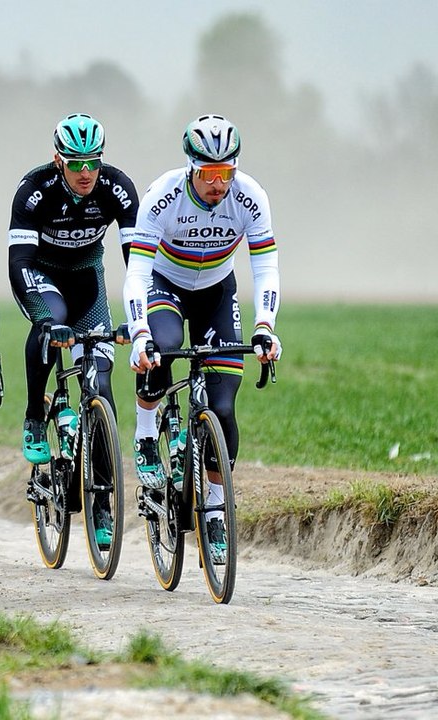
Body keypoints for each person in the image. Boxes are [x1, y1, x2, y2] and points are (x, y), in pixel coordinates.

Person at [123, 113, 281, 558]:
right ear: (191, 167)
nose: (219, 183)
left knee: (224, 407)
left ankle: (214, 509)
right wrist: (139, 335)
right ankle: (147, 432)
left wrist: (265, 327)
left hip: (216, 290)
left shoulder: (250, 198)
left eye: (226, 172)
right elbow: (136, 273)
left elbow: (265, 268)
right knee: (163, 347)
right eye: (210, 173)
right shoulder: (162, 196)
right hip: (164, 284)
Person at [8, 113, 138, 546]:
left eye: (93, 162)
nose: (86, 172)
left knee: (100, 387)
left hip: (88, 281)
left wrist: (137, 315)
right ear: (58, 160)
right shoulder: (34, 190)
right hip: (42, 277)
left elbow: (136, 263)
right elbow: (18, 263)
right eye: (76, 163)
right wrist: (42, 317)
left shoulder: (116, 188)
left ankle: (102, 503)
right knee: (54, 322)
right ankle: (32, 415)